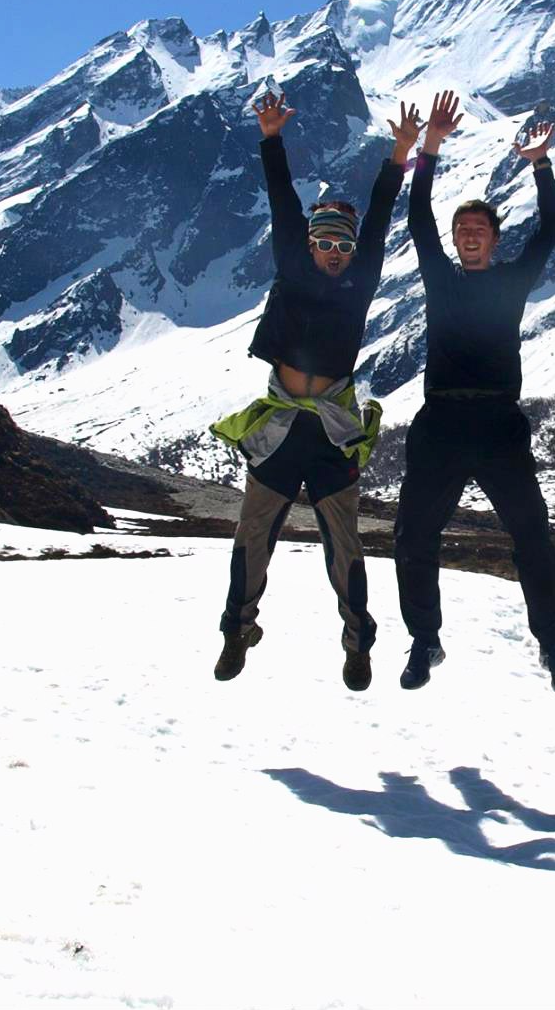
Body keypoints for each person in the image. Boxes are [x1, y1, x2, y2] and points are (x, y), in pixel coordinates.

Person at [210, 90, 415, 691]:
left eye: (342, 247)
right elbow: (282, 201)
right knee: (252, 538)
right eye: (323, 243)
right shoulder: (291, 265)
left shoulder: (361, 279)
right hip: (281, 428)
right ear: (309, 243)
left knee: (345, 548)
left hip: (331, 429)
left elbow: (379, 215)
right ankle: (235, 631)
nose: (332, 253)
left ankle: (358, 644)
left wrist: (399, 156)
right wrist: (270, 138)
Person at [393, 90, 555, 696]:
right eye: (463, 230)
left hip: (499, 425)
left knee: (532, 535)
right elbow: (417, 216)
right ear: (454, 240)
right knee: (412, 537)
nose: (470, 235)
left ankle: (552, 644)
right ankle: (425, 640)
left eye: (480, 229)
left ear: (494, 240)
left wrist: (541, 164)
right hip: (440, 424)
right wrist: (431, 149)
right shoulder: (439, 278)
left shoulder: (511, 281)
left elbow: (550, 227)